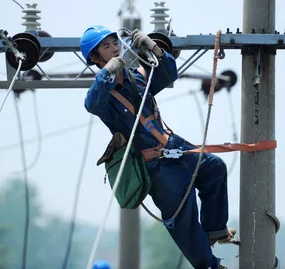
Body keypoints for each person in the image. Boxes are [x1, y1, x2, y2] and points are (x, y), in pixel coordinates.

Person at [80, 25, 233, 269]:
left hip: (175, 148)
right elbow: (90, 103)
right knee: (184, 220)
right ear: (96, 58)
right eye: (106, 47)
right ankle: (210, 266)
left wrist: (155, 48)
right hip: (156, 167)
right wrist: (105, 74)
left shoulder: (137, 78)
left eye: (114, 43)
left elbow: (167, 74)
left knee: (214, 168)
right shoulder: (104, 98)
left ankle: (215, 229)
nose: (115, 48)